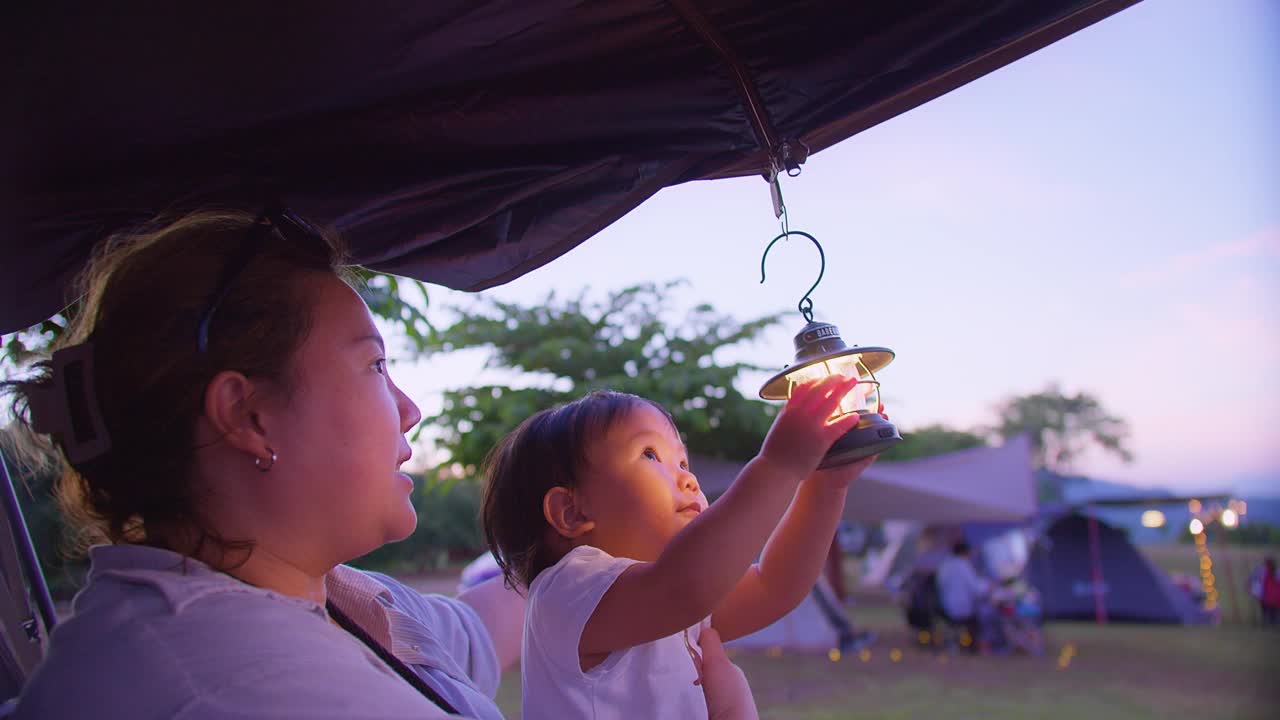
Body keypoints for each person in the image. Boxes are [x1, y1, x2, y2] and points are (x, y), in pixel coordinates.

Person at [3, 207, 760, 720]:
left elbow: (477, 627)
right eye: (373, 368)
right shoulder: (251, 690)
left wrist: (594, 510)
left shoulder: (322, 598)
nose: (409, 410)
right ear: (248, 415)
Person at [481, 385, 879, 719]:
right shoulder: (567, 591)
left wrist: (825, 487)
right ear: (571, 512)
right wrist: (778, 465)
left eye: (683, 461)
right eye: (650, 455)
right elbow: (687, 585)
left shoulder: (673, 604)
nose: (688, 478)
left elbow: (774, 586)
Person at [935, 541, 992, 653]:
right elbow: (976, 588)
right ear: (965, 552)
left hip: (944, 607)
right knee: (985, 615)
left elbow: (940, 585)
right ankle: (977, 646)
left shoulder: (945, 566)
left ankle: (957, 643)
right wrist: (989, 586)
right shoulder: (964, 566)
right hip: (961, 608)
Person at [1261, 557, 1280, 626]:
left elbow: (1264, 584)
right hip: (1276, 597)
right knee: (1275, 612)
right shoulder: (1277, 573)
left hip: (1268, 596)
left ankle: (1268, 623)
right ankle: (1274, 623)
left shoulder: (1264, 573)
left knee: (1267, 611)